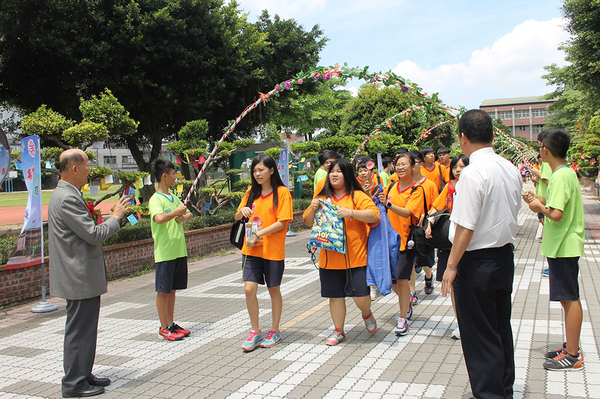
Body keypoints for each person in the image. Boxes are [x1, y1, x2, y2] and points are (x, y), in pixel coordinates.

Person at [441, 110, 522, 399]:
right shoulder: (509, 167)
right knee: (500, 329)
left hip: (476, 263)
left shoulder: (473, 172)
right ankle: (504, 390)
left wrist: (451, 267)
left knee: (479, 337)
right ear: (492, 134)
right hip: (503, 258)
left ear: (462, 137)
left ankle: (490, 394)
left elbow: (465, 227)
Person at [48, 149, 130, 398]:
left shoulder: (66, 194)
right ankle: (74, 384)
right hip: (78, 275)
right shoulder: (67, 198)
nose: (89, 171)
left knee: (84, 329)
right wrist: (115, 218)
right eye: (86, 166)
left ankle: (83, 374)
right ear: (74, 168)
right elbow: (93, 234)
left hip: (79, 275)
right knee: (79, 331)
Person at [523, 129, 585, 371]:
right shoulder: (566, 173)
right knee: (567, 298)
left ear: (546, 150)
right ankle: (570, 346)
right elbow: (554, 205)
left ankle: (573, 354)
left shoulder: (560, 176)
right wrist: (536, 199)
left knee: (569, 299)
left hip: (564, 246)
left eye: (540, 149)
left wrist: (539, 205)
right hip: (563, 245)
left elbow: (556, 214)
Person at [303, 158, 380, 346]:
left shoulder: (358, 196)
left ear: (347, 174)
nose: (334, 174)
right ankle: (339, 330)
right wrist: (313, 209)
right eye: (331, 171)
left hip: (356, 258)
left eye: (339, 171)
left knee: (361, 297)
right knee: (335, 297)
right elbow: (307, 221)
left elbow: (374, 215)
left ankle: (366, 314)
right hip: (329, 260)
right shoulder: (322, 198)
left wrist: (351, 213)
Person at [235, 154, 293, 351]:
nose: (257, 174)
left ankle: (275, 330)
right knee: (249, 289)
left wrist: (258, 233)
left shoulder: (282, 192)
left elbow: (282, 221)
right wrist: (241, 212)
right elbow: (237, 215)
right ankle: (255, 330)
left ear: (271, 170)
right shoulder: (251, 191)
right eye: (254, 171)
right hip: (250, 249)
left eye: (261, 170)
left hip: (272, 251)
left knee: (273, 290)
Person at [378, 152, 425, 336]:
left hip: (406, 243)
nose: (400, 167)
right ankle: (407, 303)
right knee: (393, 282)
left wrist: (388, 204)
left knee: (402, 281)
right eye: (398, 164)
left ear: (413, 167)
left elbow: (407, 213)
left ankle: (402, 318)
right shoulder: (391, 187)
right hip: (388, 242)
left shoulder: (417, 190)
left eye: (404, 164)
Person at [149, 159, 194, 341]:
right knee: (163, 291)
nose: (176, 177)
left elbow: (187, 213)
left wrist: (182, 216)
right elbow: (159, 218)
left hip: (178, 251)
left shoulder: (173, 198)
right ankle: (163, 327)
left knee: (173, 290)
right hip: (165, 253)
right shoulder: (155, 199)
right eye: (174, 174)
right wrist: (176, 213)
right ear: (164, 176)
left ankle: (170, 323)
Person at [425, 153, 469, 340]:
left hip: (469, 244)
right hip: (449, 244)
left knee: (469, 286)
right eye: (455, 167)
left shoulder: (474, 186)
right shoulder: (450, 187)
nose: (458, 170)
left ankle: (470, 323)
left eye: (462, 166)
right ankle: (461, 323)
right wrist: (429, 222)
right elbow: (435, 208)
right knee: (455, 286)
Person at [408, 150, 437, 302]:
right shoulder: (403, 184)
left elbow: (436, 207)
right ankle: (412, 292)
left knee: (425, 260)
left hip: (424, 227)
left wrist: (426, 218)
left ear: (420, 164)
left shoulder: (430, 185)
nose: (411, 167)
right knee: (411, 262)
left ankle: (429, 275)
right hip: (409, 228)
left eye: (414, 163)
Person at [529, 132, 552, 276]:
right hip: (543, 198)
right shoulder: (546, 163)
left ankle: (553, 267)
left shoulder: (548, 163)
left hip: (547, 201)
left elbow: (550, 181)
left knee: (549, 232)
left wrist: (537, 173)